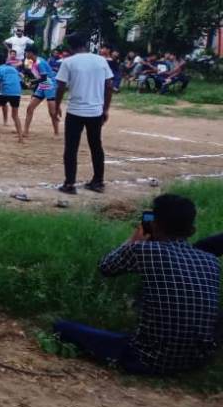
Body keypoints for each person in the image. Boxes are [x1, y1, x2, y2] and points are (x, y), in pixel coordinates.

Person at [54, 194, 220, 375]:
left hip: (147, 359)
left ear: (154, 224)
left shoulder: (144, 250)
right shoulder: (211, 260)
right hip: (195, 362)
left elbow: (106, 267)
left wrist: (132, 242)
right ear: (192, 230)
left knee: (62, 327)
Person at [55, 33, 113, 194]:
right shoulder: (101, 60)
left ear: (70, 46)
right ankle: (98, 181)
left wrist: (57, 105)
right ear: (86, 44)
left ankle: (70, 184)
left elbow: (60, 86)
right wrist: (105, 109)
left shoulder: (68, 62)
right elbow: (109, 86)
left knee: (71, 148)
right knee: (96, 146)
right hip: (95, 111)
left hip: (75, 111)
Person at [23, 48, 59, 138]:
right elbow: (28, 72)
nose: (25, 54)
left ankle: (56, 132)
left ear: (31, 53)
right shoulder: (30, 62)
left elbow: (44, 78)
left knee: (51, 111)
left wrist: (31, 82)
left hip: (49, 83)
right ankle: (25, 131)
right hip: (43, 84)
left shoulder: (40, 62)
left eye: (26, 52)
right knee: (30, 108)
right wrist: (28, 80)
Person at [0, 52, 24, 142]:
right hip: (16, 92)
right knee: (15, 115)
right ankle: (20, 137)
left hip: (5, 92)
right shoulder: (13, 69)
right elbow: (20, 78)